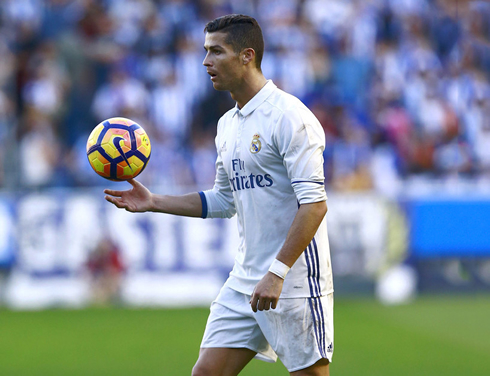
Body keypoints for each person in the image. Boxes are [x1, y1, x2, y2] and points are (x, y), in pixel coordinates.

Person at [104, 14, 334, 376]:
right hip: (245, 279)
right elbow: (224, 201)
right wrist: (154, 202)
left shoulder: (290, 117)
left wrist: (277, 271)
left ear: (247, 56)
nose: (205, 62)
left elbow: (315, 205)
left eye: (216, 52)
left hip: (293, 281)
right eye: (205, 51)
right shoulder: (227, 125)